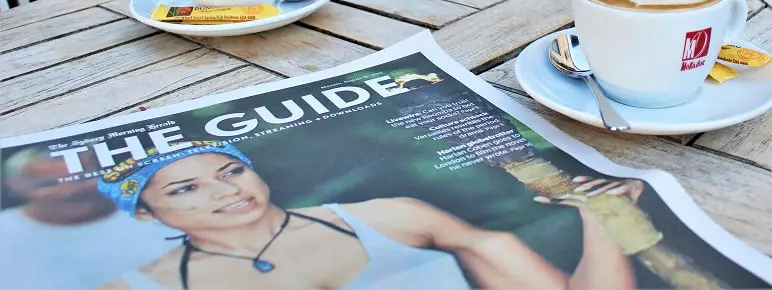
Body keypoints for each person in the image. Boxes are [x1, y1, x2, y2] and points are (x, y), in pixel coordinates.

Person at [97, 140, 643, 290]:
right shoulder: (134, 286)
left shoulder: (393, 217)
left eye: (231, 172)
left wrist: (602, 220)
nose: (223, 191)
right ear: (148, 214)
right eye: (187, 189)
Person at [0, 148, 179, 290]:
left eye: (82, 179)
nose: (70, 191)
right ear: (15, 188)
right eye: (48, 185)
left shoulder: (166, 213)